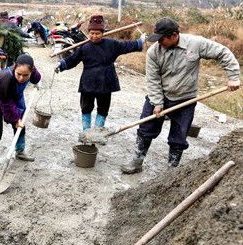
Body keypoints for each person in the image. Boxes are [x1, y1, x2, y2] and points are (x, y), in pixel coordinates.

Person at [121, 18, 240, 173]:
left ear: (174, 36)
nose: (159, 42)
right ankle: (136, 162)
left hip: (186, 97)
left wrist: (233, 76)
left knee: (178, 137)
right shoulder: (153, 52)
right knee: (145, 128)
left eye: (162, 39)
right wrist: (157, 103)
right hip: (161, 94)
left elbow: (222, 52)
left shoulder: (195, 43)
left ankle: (171, 170)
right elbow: (153, 79)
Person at [55, 15, 145, 135]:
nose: (94, 36)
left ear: (103, 33)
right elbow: (72, 60)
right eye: (92, 33)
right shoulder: (84, 47)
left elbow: (126, 46)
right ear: (89, 32)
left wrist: (140, 41)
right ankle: (86, 134)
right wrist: (61, 64)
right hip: (88, 82)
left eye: (97, 33)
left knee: (103, 108)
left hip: (106, 82)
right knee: (86, 107)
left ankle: (97, 134)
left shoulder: (112, 44)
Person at [0, 54, 42, 169]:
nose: (21, 78)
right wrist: (15, 119)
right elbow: (6, 103)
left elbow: (35, 77)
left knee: (21, 126)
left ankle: (20, 151)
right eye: (19, 74)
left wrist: (37, 80)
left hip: (13, 99)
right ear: (14, 67)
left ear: (31, 71)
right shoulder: (5, 79)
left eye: (26, 75)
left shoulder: (32, 72)